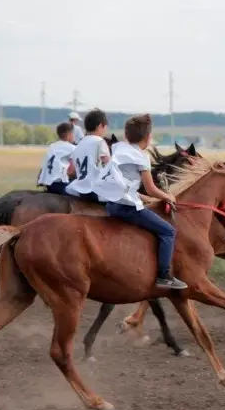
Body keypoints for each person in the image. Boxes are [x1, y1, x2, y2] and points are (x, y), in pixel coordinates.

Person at [93, 113, 187, 290]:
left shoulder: (119, 149)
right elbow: (151, 189)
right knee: (168, 231)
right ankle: (164, 276)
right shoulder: (141, 157)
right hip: (126, 209)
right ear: (148, 137)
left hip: (111, 205)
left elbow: (127, 185)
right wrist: (168, 196)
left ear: (126, 135)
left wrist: (145, 198)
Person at [65, 108, 111, 203]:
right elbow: (111, 166)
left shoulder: (79, 145)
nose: (106, 130)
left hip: (79, 189)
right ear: (100, 126)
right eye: (105, 127)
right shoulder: (99, 142)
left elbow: (73, 170)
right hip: (95, 190)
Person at [37, 122, 76, 195]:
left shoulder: (52, 146)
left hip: (48, 184)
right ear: (68, 135)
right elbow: (71, 170)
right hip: (60, 184)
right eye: (72, 134)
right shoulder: (72, 148)